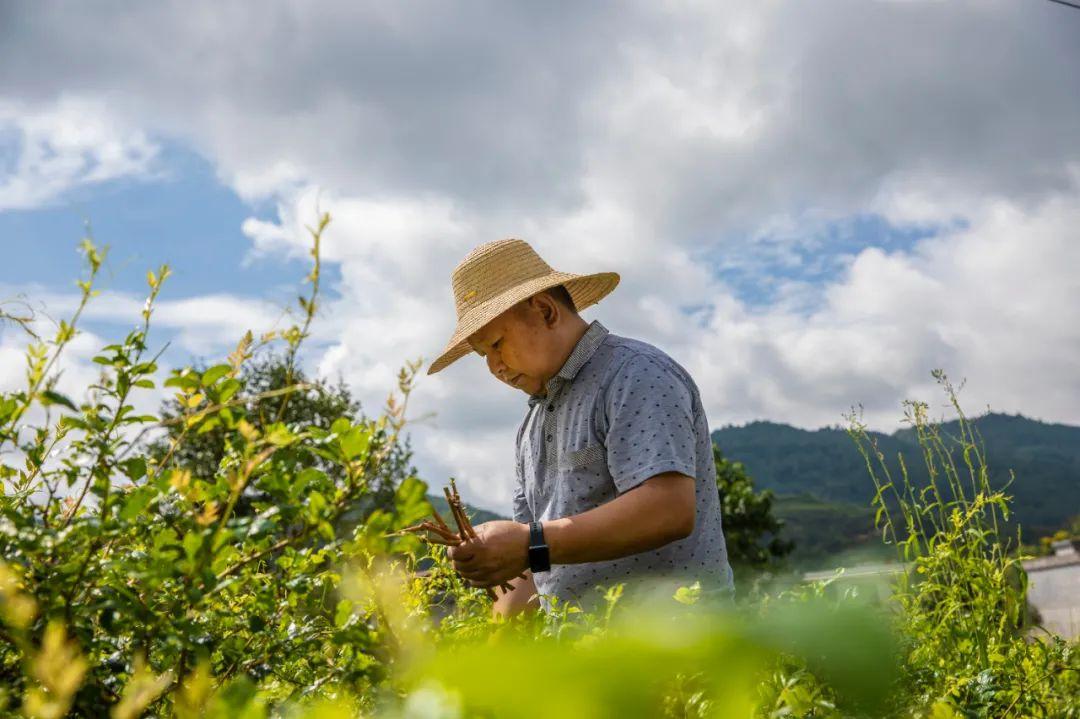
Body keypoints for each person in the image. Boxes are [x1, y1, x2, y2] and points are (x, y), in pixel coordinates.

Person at [427, 238, 732, 616]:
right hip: (586, 659)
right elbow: (533, 569)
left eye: (496, 344)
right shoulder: (531, 427)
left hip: (677, 651)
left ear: (544, 310)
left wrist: (529, 543)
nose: (494, 367)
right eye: (483, 355)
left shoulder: (635, 374)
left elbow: (668, 508)